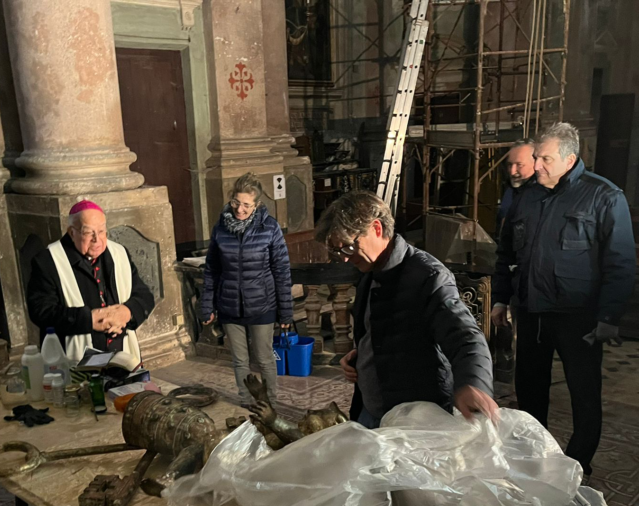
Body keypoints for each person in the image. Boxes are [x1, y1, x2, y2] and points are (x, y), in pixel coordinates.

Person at [491, 122, 636, 477]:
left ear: (570, 159)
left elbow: (621, 262)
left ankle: (578, 464)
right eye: (537, 157)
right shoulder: (527, 196)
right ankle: (534, 456)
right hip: (532, 312)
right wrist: (500, 299)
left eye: (545, 159)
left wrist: (608, 317)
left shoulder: (604, 196)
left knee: (583, 394)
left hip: (579, 319)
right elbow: (506, 252)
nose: (536, 165)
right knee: (530, 391)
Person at [314, 191, 497, 428]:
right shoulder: (370, 272)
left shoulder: (428, 276)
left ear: (377, 228)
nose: (345, 259)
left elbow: (464, 336)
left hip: (415, 418)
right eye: (338, 252)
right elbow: (387, 329)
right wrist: (362, 357)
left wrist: (474, 383)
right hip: (371, 411)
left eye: (348, 247)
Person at [201, 173, 293, 405]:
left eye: (246, 205)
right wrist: (207, 306)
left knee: (264, 359)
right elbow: (212, 270)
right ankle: (248, 402)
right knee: (240, 360)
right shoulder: (221, 228)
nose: (239, 210)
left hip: (262, 305)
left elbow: (282, 272)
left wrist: (286, 312)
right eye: (236, 203)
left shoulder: (269, 228)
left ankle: (269, 403)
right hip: (230, 305)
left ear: (257, 204)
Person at [27, 200, 155, 366]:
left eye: (101, 231)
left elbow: (144, 296)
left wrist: (126, 313)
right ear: (72, 232)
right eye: (89, 233)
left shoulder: (118, 253)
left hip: (121, 353)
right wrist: (89, 319)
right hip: (74, 358)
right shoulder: (48, 261)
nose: (97, 240)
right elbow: (41, 311)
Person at [495, 139, 536, 242]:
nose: (512, 171)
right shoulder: (511, 191)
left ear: (535, 164)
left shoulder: (545, 195)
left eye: (519, 165)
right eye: (510, 165)